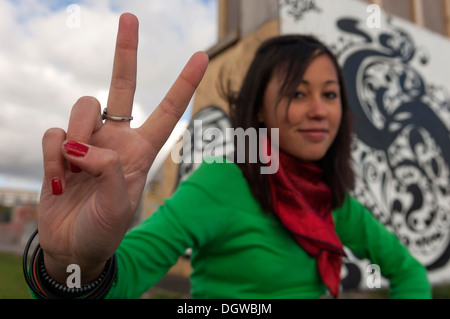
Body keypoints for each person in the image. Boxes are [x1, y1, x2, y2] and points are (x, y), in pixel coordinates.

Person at [24, 13, 431, 299]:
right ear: (258, 109)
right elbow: (125, 276)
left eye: (329, 94)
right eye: (297, 93)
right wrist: (69, 265)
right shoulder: (221, 180)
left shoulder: (330, 198)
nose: (320, 110)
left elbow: (408, 271)